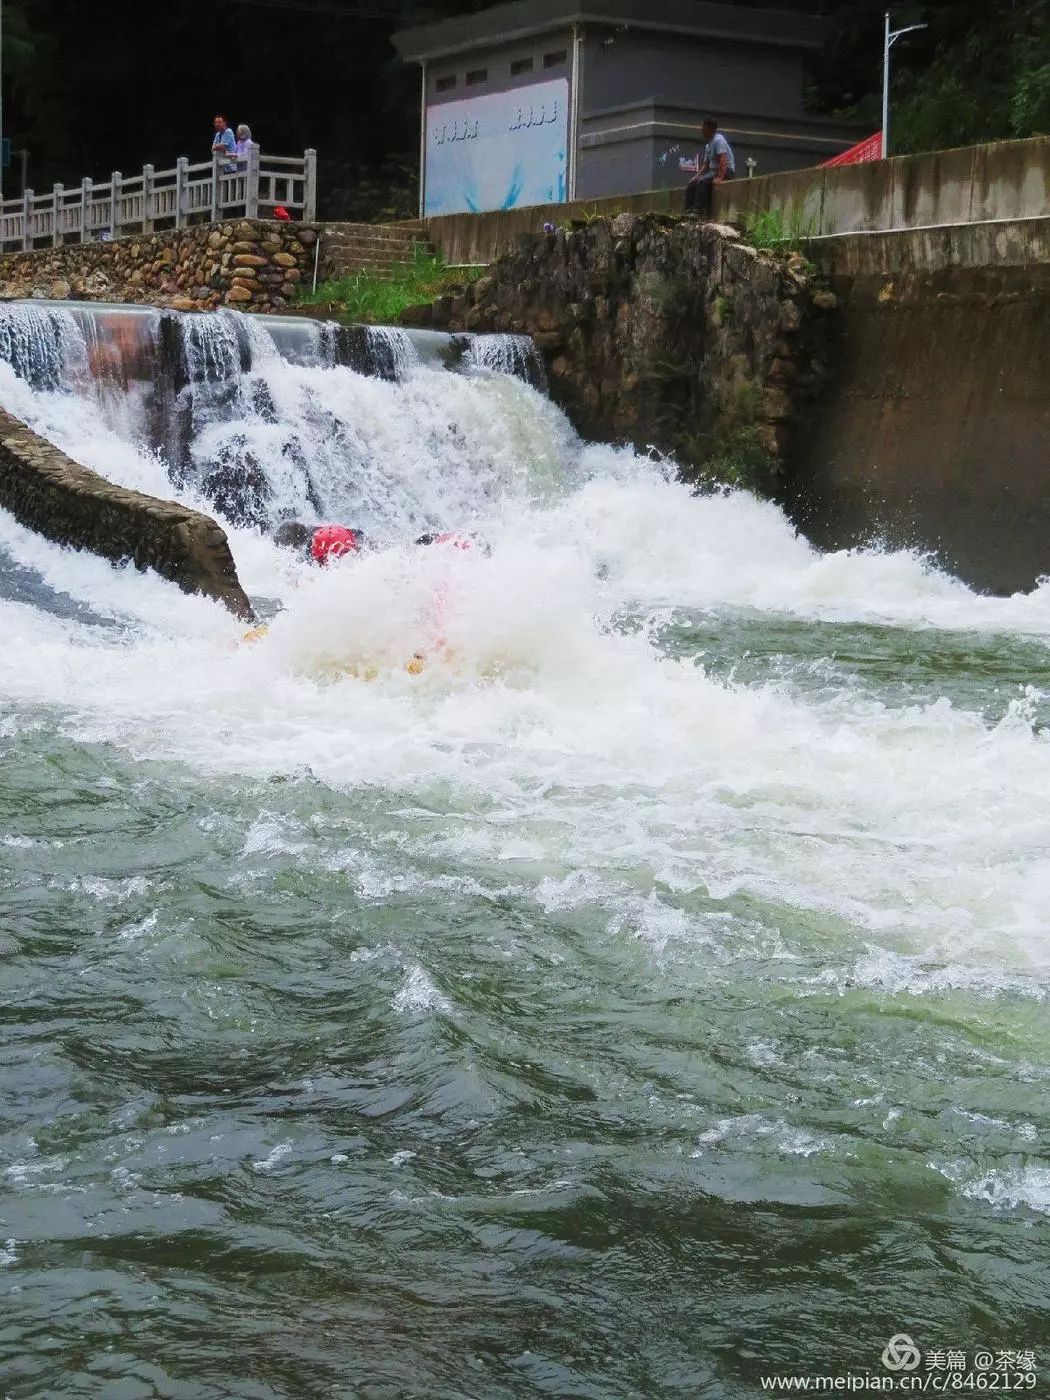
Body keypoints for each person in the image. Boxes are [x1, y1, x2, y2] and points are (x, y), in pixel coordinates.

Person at [684, 118, 735, 219]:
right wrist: (695, 177)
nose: (701, 130)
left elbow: (723, 160)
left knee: (702, 182)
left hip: (725, 170)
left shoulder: (718, 140)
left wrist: (720, 177)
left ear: (708, 128)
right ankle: (689, 210)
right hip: (713, 171)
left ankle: (700, 210)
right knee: (692, 183)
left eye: (703, 127)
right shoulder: (708, 145)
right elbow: (706, 166)